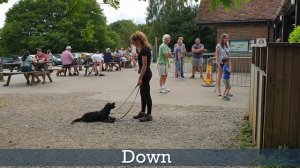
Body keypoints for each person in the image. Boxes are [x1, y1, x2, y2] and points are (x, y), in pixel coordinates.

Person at [131, 31, 153, 122]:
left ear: (138, 40)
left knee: (147, 94)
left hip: (146, 74)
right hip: (143, 73)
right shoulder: (139, 49)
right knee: (142, 94)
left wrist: (140, 78)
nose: (132, 43)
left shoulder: (144, 49)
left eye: (133, 41)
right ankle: (142, 112)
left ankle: (149, 114)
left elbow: (145, 65)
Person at [215, 33, 230, 98]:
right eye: (226, 38)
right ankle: (219, 91)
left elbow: (229, 54)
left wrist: (230, 62)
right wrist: (218, 64)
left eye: (227, 38)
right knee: (219, 77)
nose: (227, 39)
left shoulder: (227, 45)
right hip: (221, 63)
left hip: (227, 63)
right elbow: (217, 55)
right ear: (223, 38)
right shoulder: (218, 46)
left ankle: (226, 91)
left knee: (227, 77)